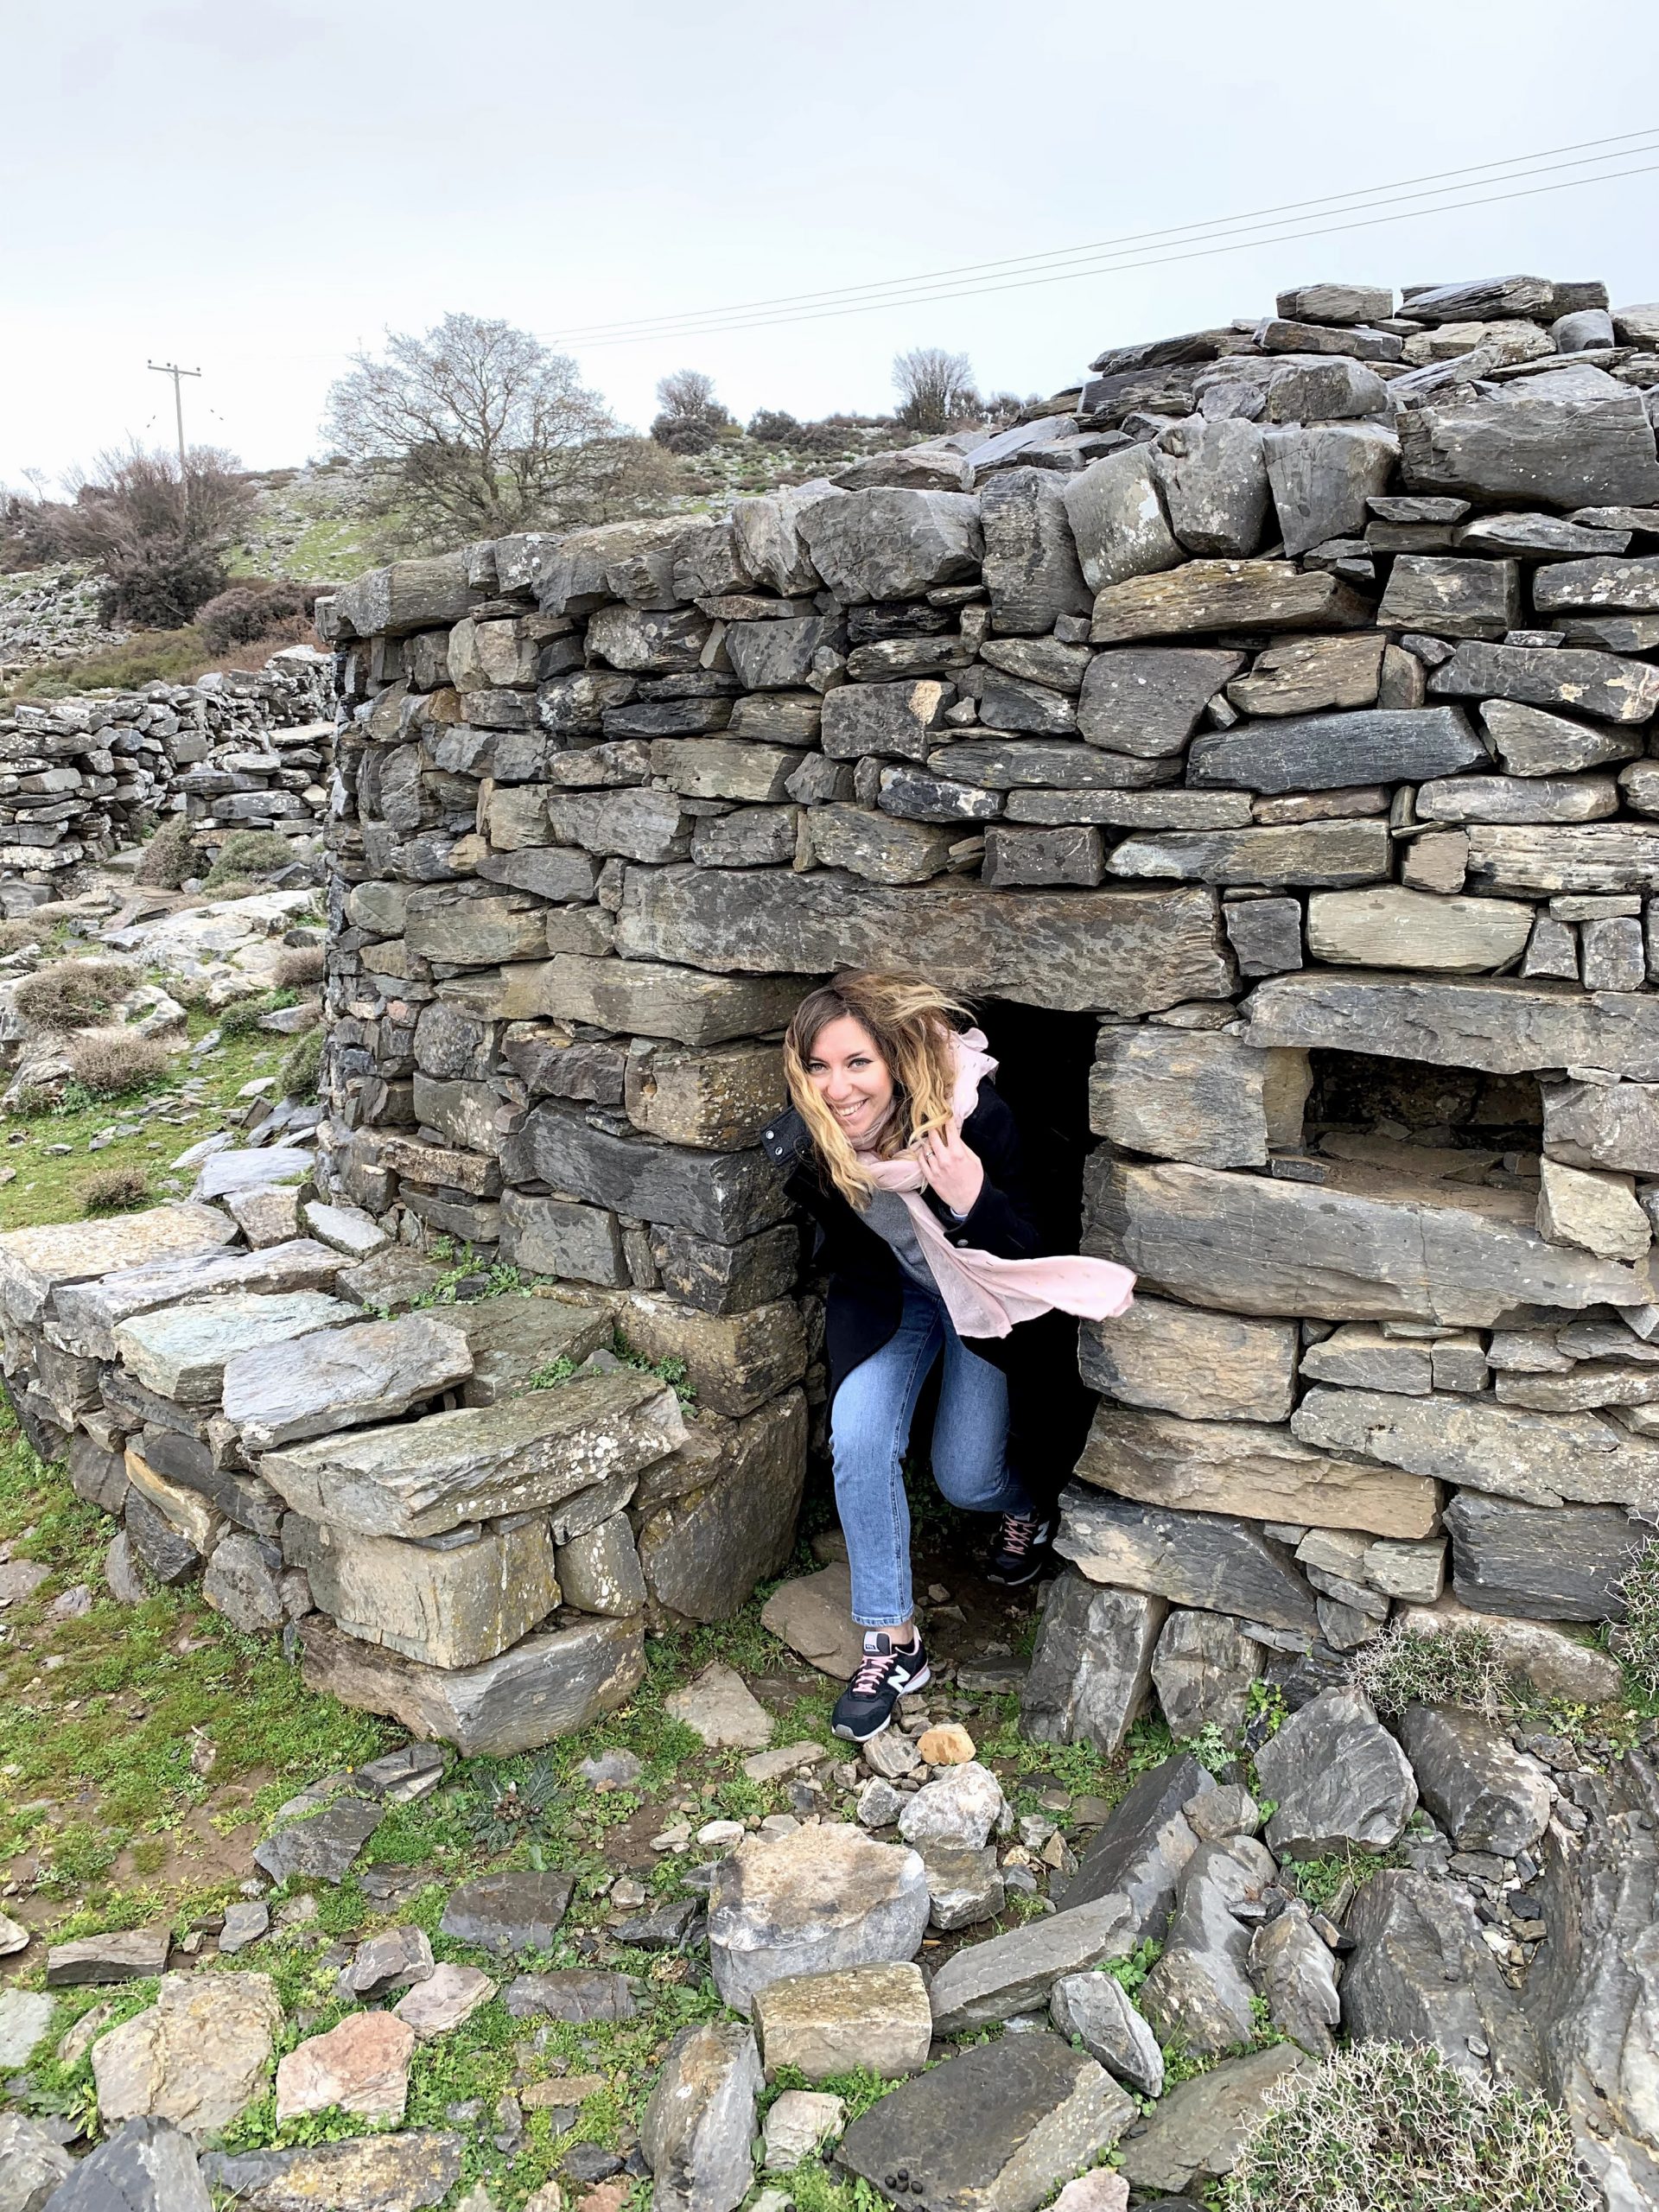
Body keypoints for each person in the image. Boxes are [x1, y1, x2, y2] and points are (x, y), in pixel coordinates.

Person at [760, 970, 1137, 1743]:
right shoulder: (820, 1132)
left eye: (857, 1063)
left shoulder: (975, 1117)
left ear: (896, 1057)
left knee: (967, 1481)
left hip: (982, 1302)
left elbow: (1034, 1248)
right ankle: (892, 1643)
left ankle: (1024, 1506)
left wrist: (969, 1200)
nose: (837, 1089)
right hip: (895, 1301)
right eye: (820, 1067)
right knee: (859, 1437)